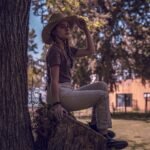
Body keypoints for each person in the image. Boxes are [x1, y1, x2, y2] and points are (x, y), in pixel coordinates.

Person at [42, 13, 128, 149]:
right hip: (59, 93)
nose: (67, 29)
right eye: (63, 26)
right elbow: (54, 80)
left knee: (102, 86)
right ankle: (104, 138)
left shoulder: (67, 50)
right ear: (54, 31)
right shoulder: (54, 51)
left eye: (68, 26)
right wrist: (57, 104)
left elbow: (90, 50)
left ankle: (95, 125)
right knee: (101, 95)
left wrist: (86, 30)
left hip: (67, 90)